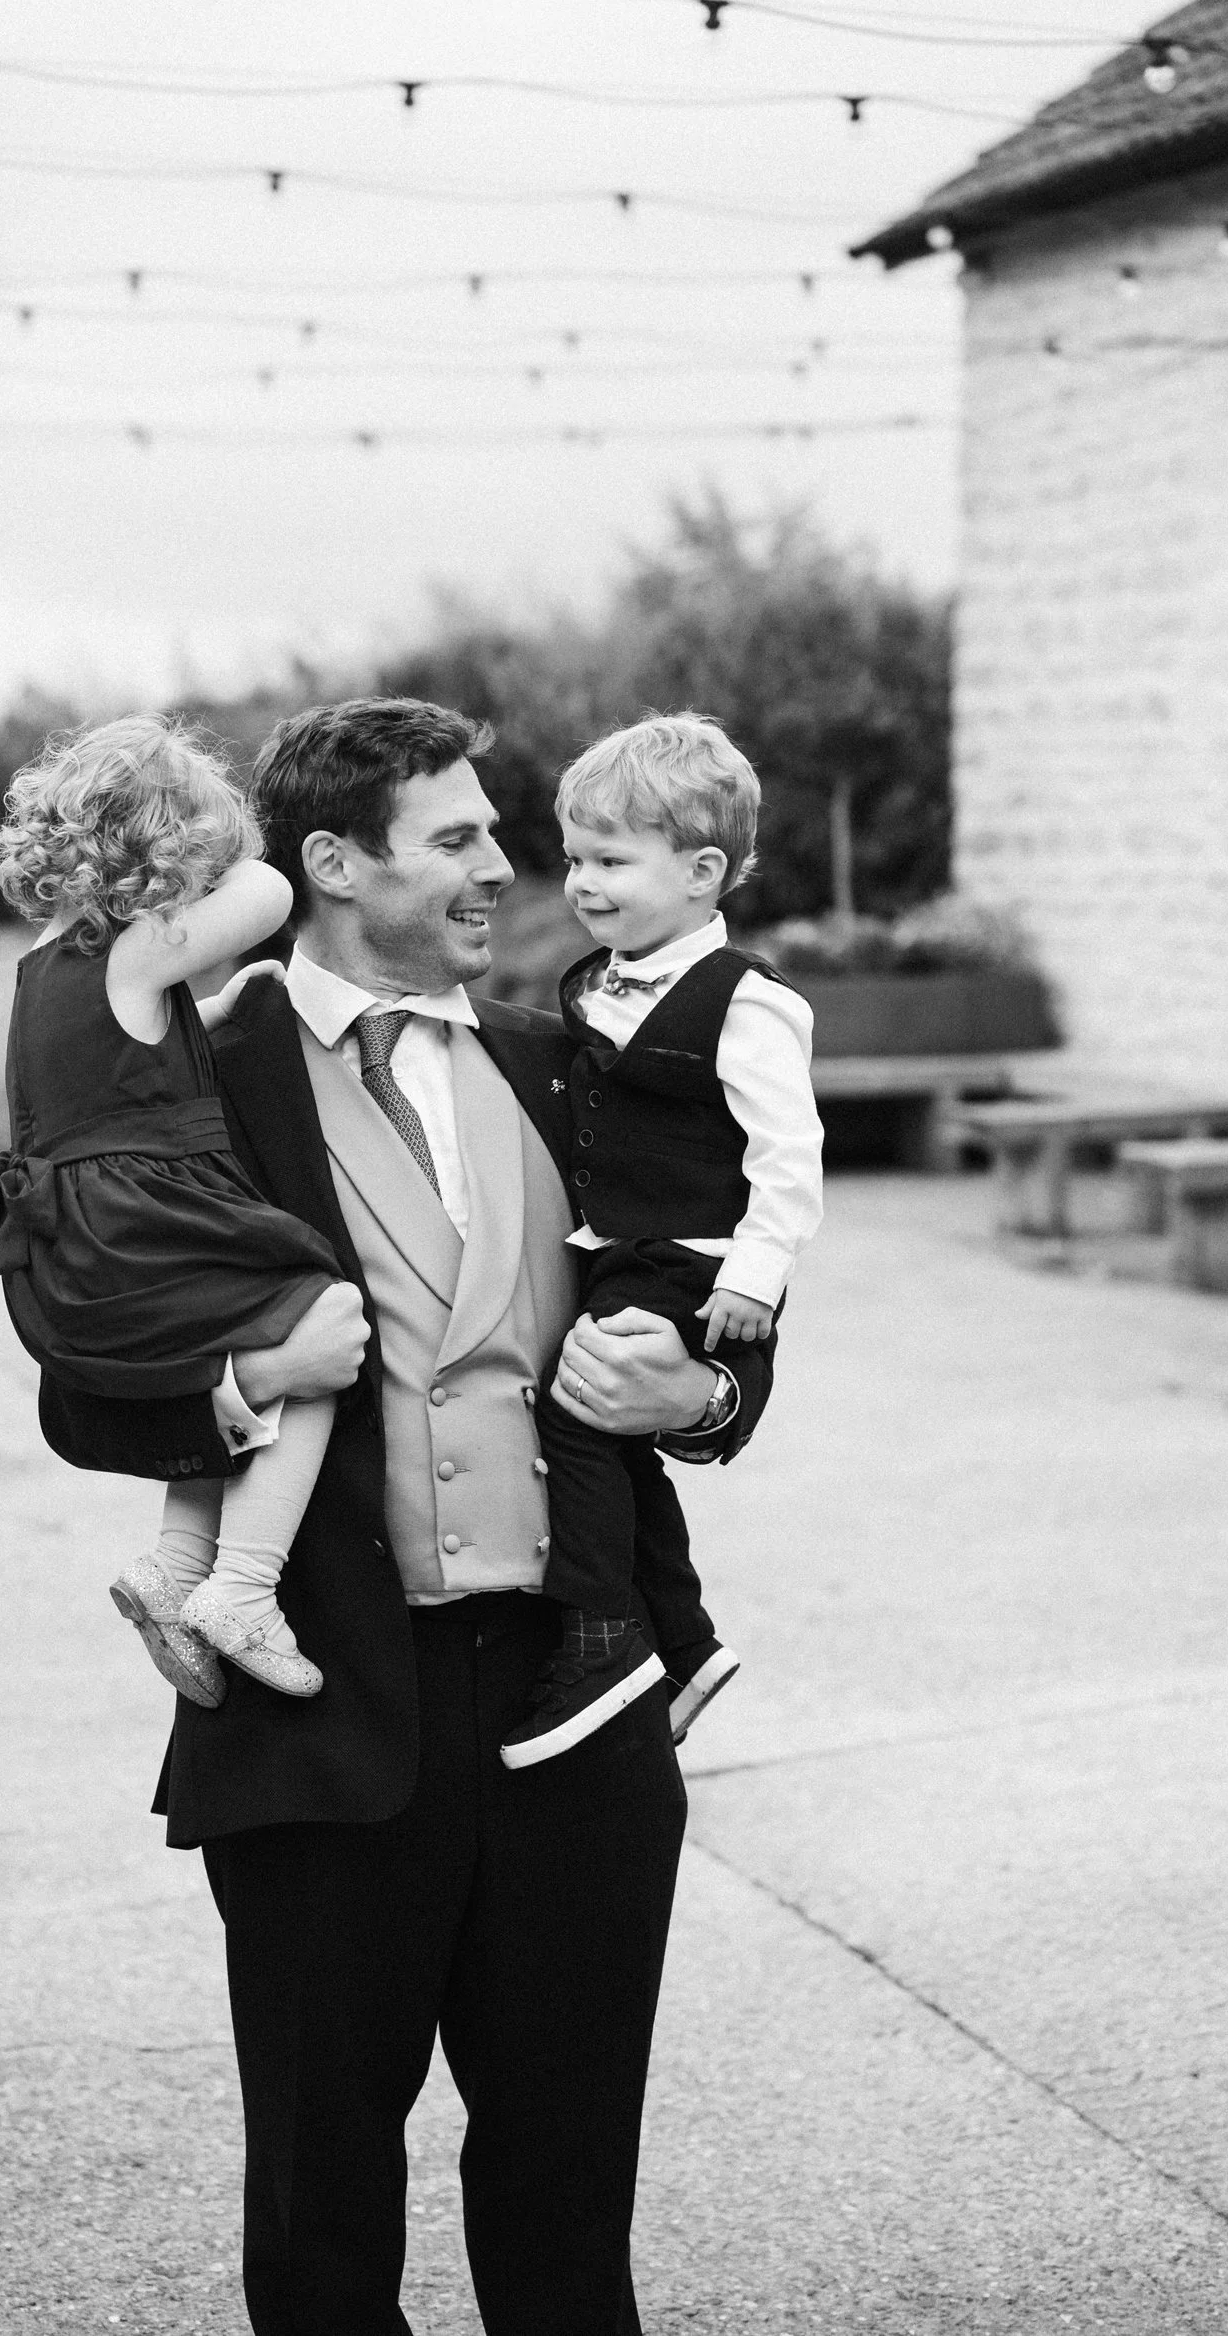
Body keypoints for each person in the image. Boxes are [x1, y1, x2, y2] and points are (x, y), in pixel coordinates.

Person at [45, 697, 780, 2336]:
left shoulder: (561, 1058)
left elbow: (712, 1292)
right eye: (455, 838)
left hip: (576, 1715)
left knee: (568, 2212)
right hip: (322, 1722)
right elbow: (82, 1378)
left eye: (496, 833)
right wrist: (244, 1381)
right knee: (320, 2226)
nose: (503, 867)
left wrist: (699, 1396)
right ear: (329, 864)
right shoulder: (192, 1071)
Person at [0, 713, 372, 1700]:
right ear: (168, 848)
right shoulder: (138, 946)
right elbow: (273, 891)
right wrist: (222, 863)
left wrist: (214, 1014)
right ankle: (245, 1585)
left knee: (224, 1347)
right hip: (131, 1230)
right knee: (320, 1316)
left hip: (74, 1249)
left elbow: (114, 1073)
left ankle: (176, 1565)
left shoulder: (49, 964)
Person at [501, 714, 824, 1770]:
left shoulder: (746, 1003)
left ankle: (602, 1634)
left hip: (694, 1258)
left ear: (700, 872)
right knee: (604, 1437)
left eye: (609, 861)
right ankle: (682, 1646)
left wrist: (754, 1281)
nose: (581, 883)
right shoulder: (598, 982)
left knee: (576, 1413)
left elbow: (788, 1156)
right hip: (619, 1249)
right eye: (573, 860)